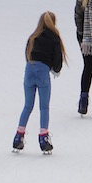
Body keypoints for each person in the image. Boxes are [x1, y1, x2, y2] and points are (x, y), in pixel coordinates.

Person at [12, 11, 67, 153]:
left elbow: (27, 54)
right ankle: (43, 137)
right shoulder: (54, 38)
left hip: (29, 71)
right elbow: (57, 60)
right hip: (43, 73)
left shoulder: (33, 36)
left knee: (27, 106)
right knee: (44, 107)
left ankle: (19, 136)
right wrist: (56, 69)